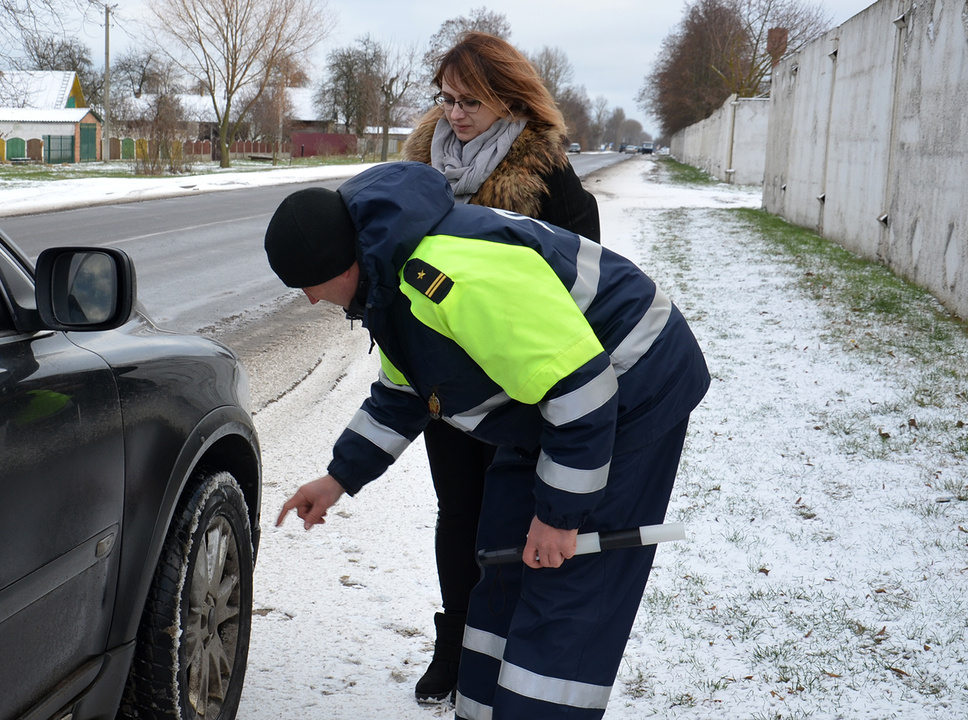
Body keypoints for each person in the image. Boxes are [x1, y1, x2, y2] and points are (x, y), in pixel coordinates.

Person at [264, 161, 709, 720]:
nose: (308, 301)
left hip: (631, 387)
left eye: (307, 285)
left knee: (560, 581)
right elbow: (405, 393)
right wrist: (338, 478)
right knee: (500, 563)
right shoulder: (391, 279)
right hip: (547, 414)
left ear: (340, 264)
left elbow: (583, 391)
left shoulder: (448, 278)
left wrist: (562, 515)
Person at [402, 30, 602, 704]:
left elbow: (581, 288)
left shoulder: (549, 178)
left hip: (519, 388)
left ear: (509, 101)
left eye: (471, 103)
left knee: (508, 517)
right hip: (444, 378)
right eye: (448, 100)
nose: (454, 115)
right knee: (457, 511)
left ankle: (505, 646)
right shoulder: (417, 170)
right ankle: (454, 640)